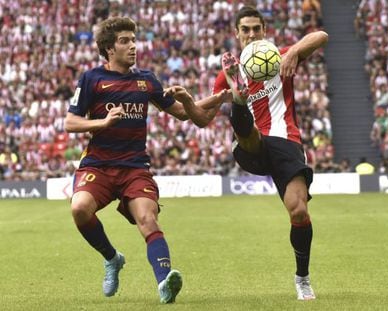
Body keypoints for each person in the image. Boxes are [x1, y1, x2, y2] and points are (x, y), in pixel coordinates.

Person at [64, 16, 229, 304]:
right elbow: (70, 122)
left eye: (134, 40)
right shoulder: (92, 79)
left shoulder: (146, 80)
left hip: (134, 168)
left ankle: (164, 283)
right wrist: (101, 124)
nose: (133, 46)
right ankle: (112, 258)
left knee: (147, 218)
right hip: (98, 166)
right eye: (124, 41)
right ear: (109, 48)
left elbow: (181, 112)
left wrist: (215, 99)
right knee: (79, 208)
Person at [213, 6, 328, 300]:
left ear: (264, 30)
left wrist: (293, 53)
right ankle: (239, 98)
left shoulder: (281, 56)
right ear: (237, 34)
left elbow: (321, 35)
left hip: (286, 140)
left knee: (299, 211)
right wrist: (187, 104)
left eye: (256, 29)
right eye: (245, 30)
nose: (251, 34)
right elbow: (203, 117)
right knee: (246, 128)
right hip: (251, 142)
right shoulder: (225, 71)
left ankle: (302, 278)